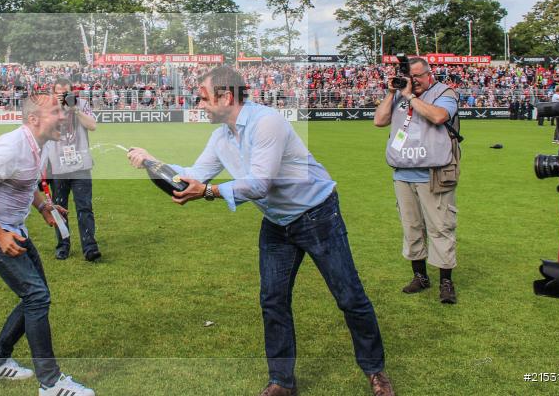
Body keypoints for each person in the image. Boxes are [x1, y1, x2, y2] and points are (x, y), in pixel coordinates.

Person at [127, 66, 393, 396]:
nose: (199, 104)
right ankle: (281, 381)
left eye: (203, 98)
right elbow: (195, 174)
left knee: (349, 296)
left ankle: (375, 371)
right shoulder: (221, 136)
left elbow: (259, 185)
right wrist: (154, 162)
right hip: (278, 223)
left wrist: (208, 192)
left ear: (226, 96)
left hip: (317, 215)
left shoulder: (267, 122)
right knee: (273, 300)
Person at [0, 93, 95, 396]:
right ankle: (51, 383)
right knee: (36, 296)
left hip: (12, 228)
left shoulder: (39, 145)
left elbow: (27, 181)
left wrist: (44, 206)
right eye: (56, 112)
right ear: (34, 120)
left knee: (37, 296)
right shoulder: (11, 147)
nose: (64, 116)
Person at [374, 57, 460, 305]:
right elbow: (379, 121)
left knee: (440, 227)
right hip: (403, 172)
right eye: (411, 77)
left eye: (418, 76)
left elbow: (439, 116)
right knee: (411, 227)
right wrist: (392, 93)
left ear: (429, 74)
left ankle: (446, 281)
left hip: (434, 172)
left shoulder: (444, 92)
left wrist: (411, 97)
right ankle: (420, 276)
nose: (415, 81)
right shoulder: (400, 93)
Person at [47, 78, 101, 261]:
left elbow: (92, 125)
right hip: (57, 166)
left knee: (84, 207)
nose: (62, 96)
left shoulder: (82, 104)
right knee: (59, 208)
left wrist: (74, 109)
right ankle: (63, 245)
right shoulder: (48, 107)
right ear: (53, 93)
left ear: (72, 92)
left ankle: (89, 246)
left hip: (81, 165)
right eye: (58, 92)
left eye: (66, 92)